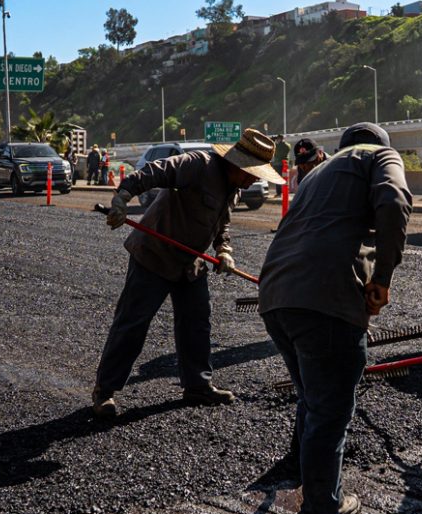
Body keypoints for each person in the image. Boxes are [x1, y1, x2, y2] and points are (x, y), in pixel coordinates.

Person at [259, 122, 412, 514]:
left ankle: (328, 499)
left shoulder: (317, 174)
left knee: (314, 402)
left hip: (276, 296)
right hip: (326, 300)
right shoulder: (379, 156)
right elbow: (395, 201)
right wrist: (383, 277)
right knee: (329, 416)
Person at [93, 128, 284, 418]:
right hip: (154, 255)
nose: (254, 180)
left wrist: (223, 250)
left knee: (197, 324)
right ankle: (104, 391)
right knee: (132, 324)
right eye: (252, 173)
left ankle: (198, 385)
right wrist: (123, 196)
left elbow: (222, 224)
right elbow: (155, 171)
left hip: (190, 263)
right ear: (237, 163)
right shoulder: (198, 165)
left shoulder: (234, 187)